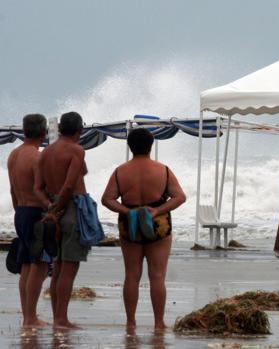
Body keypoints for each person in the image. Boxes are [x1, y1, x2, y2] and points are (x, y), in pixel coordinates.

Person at [101, 128, 186, 330]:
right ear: (151, 146)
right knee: (157, 276)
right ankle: (159, 323)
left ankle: (130, 322)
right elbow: (180, 197)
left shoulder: (120, 171)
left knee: (131, 275)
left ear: (130, 146)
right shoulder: (163, 170)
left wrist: (127, 211)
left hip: (129, 224)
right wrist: (157, 211)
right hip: (158, 223)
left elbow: (107, 199)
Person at [34, 111, 90, 329]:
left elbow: (37, 188)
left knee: (57, 266)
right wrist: (59, 208)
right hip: (71, 207)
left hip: (52, 207)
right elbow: (70, 184)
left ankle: (59, 317)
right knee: (69, 266)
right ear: (79, 130)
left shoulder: (45, 153)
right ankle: (61, 319)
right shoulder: (76, 149)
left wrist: (50, 207)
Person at [7, 114, 51, 328]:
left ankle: (28, 316)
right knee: (39, 265)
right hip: (35, 212)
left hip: (21, 211)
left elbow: (12, 190)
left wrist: (18, 211)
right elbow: (43, 188)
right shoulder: (37, 157)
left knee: (26, 264)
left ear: (24, 131)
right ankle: (31, 318)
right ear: (44, 133)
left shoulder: (13, 155)